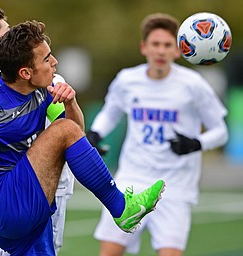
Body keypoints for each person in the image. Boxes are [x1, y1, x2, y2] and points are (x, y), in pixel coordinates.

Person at [0, 20, 165, 255]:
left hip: (29, 201)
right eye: (47, 59)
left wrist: (70, 102)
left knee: (65, 129)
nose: (54, 62)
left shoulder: (39, 89)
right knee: (62, 130)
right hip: (6, 205)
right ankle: (122, 209)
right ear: (25, 73)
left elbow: (75, 134)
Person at [88, 13, 228, 256]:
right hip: (131, 180)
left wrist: (196, 143)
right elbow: (110, 114)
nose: (161, 51)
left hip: (175, 186)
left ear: (178, 50)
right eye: (155, 44)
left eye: (167, 45)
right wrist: (95, 133)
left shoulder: (193, 85)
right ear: (144, 47)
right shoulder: (127, 80)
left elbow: (221, 132)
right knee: (109, 252)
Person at [0, 8, 73, 255]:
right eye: (7, 32)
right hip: (35, 188)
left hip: (12, 193)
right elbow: (68, 128)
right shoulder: (23, 77)